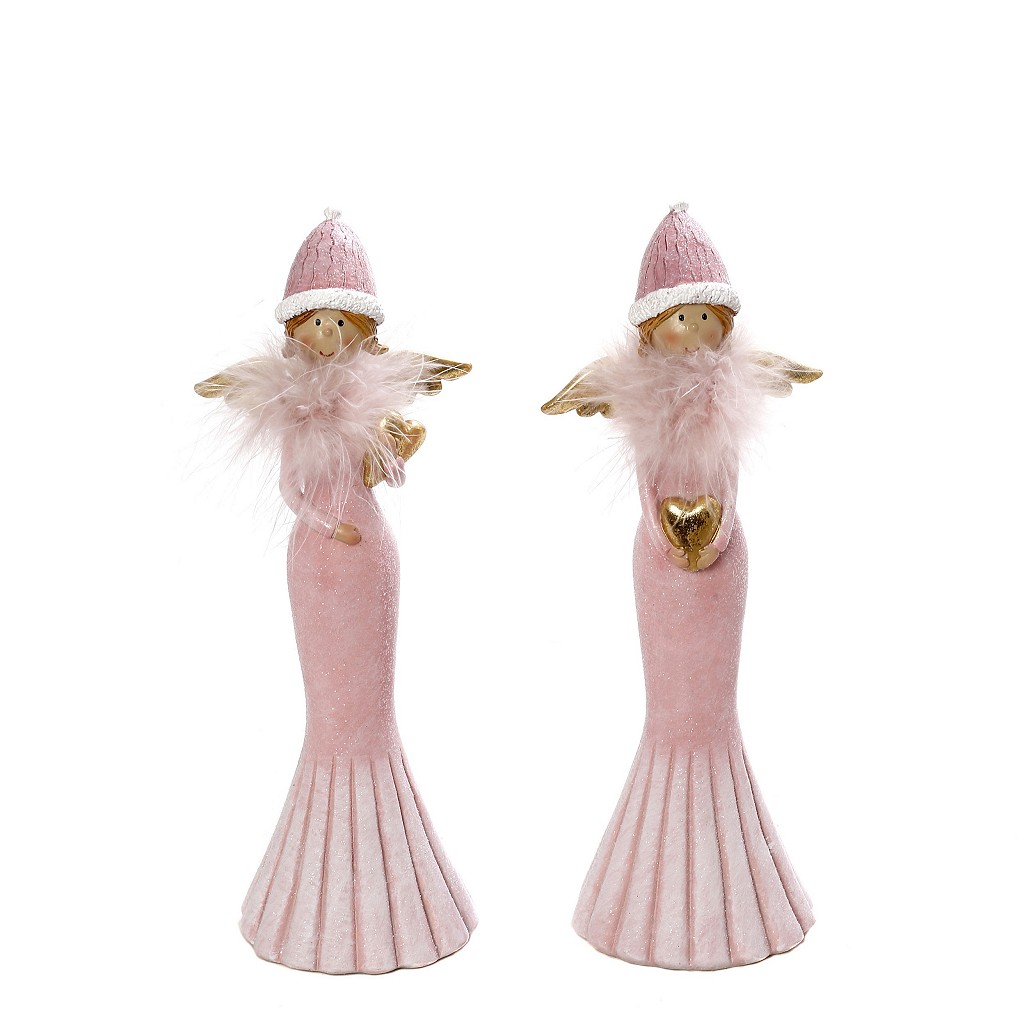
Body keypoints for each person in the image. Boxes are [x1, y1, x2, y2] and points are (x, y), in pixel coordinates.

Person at [196, 209, 475, 974]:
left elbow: (390, 477)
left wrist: (394, 451)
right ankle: (317, 868)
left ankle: (394, 869)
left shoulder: (367, 404)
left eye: (341, 323)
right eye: (317, 322)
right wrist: (326, 520)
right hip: (319, 559)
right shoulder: (294, 410)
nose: (329, 334)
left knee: (371, 711)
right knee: (332, 714)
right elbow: (293, 488)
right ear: (297, 331)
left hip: (370, 558)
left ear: (361, 332)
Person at [543, 202, 820, 970]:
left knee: (711, 714)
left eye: (704, 317)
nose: (692, 330)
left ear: (722, 325)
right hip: (660, 563)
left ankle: (737, 870)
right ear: (651, 329)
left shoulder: (728, 400)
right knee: (669, 713)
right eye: (678, 318)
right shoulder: (642, 403)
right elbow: (648, 484)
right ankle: (650, 874)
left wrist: (715, 533)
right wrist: (670, 534)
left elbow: (726, 482)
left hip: (721, 564)